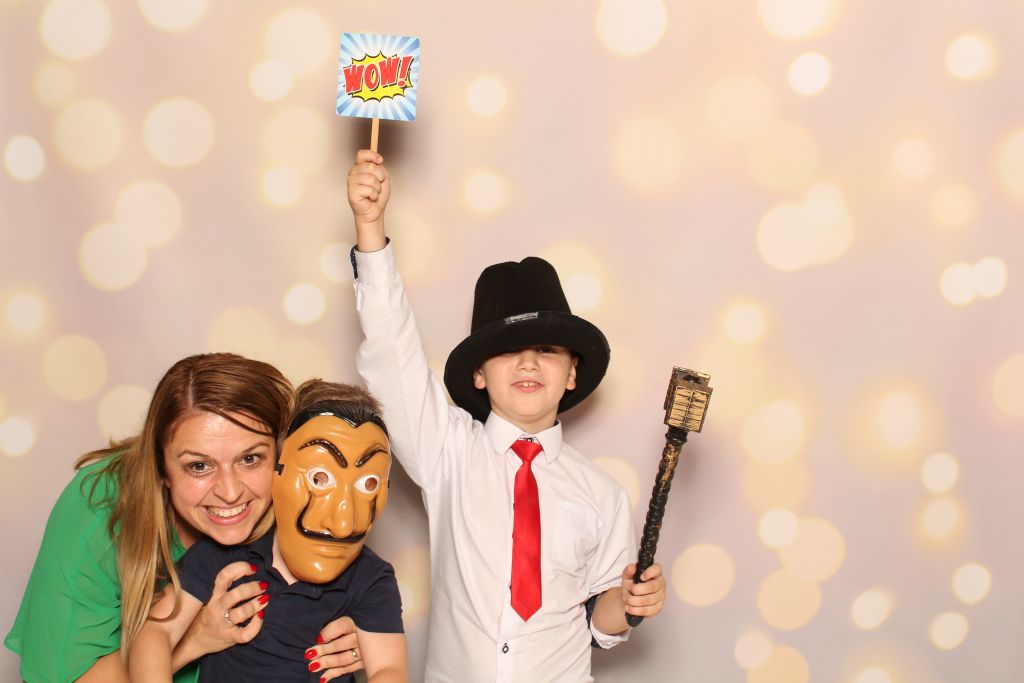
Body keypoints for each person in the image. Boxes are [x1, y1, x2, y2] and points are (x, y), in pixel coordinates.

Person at [346, 150, 668, 682]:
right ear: (478, 374)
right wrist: (370, 228)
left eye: (547, 349)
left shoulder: (602, 495)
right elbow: (391, 352)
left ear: (572, 373)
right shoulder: (447, 450)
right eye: (508, 350)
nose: (528, 363)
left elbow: (601, 621)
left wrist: (630, 602)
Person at [5, 354, 365, 683]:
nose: (229, 492)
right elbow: (67, 676)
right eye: (199, 466)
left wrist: (355, 631)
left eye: (250, 459)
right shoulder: (100, 506)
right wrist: (195, 641)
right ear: (161, 467)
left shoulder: (305, 505)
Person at [128, 379, 407, 683]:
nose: (343, 521)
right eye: (319, 479)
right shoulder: (226, 555)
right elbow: (155, 631)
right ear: (277, 471)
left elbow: (388, 669)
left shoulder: (371, 578)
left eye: (368, 484)